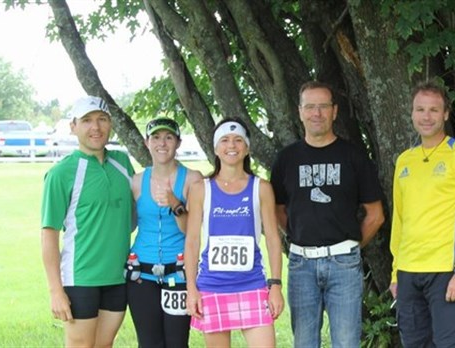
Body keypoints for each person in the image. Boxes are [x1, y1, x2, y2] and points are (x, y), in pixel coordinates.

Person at [270, 81, 385, 348]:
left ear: (334, 111)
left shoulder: (353, 156)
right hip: (301, 265)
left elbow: (375, 215)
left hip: (344, 264)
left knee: (346, 342)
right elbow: (277, 209)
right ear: (300, 112)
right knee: (304, 343)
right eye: (310, 107)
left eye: (323, 106)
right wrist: (300, 236)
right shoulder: (287, 159)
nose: (316, 113)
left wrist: (349, 247)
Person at [389, 81, 455, 347]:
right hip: (408, 271)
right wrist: (396, 272)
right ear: (411, 114)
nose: (426, 116)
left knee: (450, 344)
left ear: (445, 114)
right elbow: (400, 219)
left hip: (446, 271)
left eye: (434, 109)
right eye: (420, 109)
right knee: (413, 343)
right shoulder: (404, 160)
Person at [40, 96, 135, 347]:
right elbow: (48, 235)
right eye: (87, 120)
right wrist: (56, 291)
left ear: (110, 124)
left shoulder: (122, 163)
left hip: (117, 277)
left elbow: (133, 217)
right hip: (80, 279)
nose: (96, 127)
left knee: (104, 345)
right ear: (73, 126)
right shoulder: (61, 174)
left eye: (102, 119)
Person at [184, 118, 284, 347]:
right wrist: (191, 289)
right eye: (225, 140)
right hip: (212, 287)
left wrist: (275, 285)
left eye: (238, 140)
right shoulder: (201, 189)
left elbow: (273, 239)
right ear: (216, 148)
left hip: (253, 285)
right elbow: (191, 242)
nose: (232, 145)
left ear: (247, 148)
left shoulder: (262, 188)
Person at [127, 117, 203, 347]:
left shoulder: (193, 179)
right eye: (156, 137)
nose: (162, 143)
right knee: (149, 343)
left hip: (178, 273)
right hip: (142, 274)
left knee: (177, 342)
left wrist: (174, 203)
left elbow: (192, 230)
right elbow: (128, 224)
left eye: (169, 137)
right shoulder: (137, 181)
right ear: (147, 142)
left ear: (178, 142)